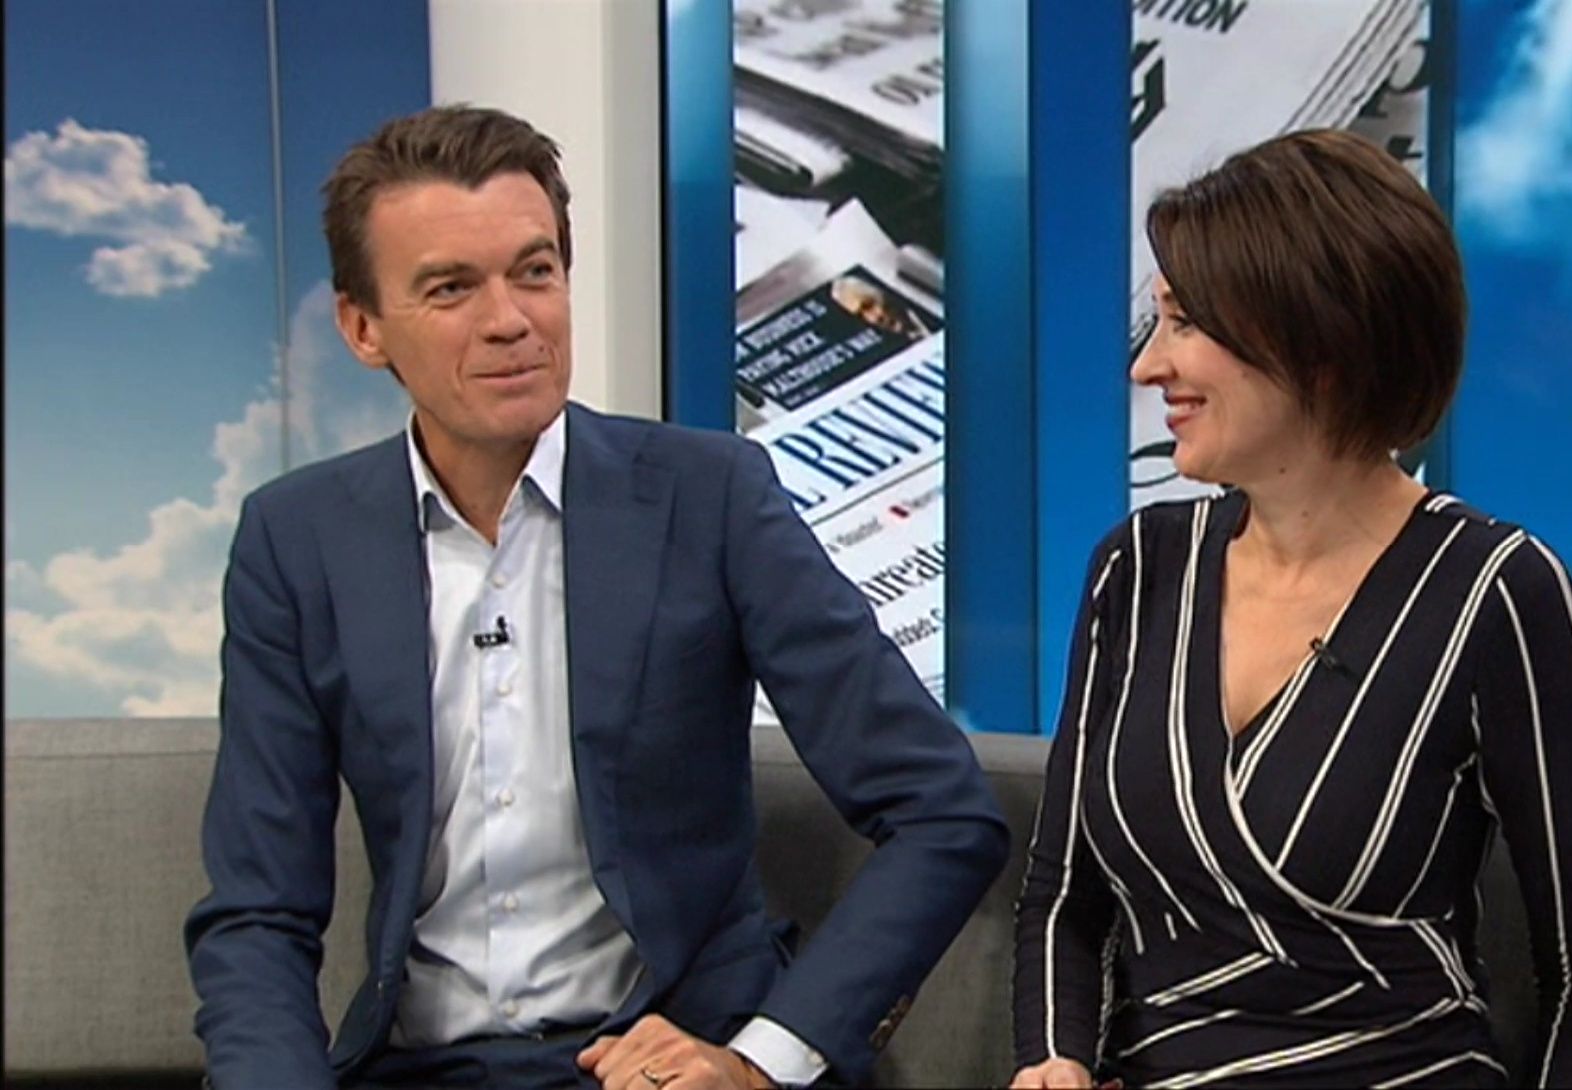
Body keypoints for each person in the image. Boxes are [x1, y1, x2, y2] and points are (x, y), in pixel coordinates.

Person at [185, 105, 1009, 1090]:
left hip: (674, 1062)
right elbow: (258, 909)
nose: (511, 319)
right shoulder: (298, 540)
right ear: (363, 328)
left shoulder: (710, 497)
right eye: (451, 287)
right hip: (423, 1068)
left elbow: (942, 811)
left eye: (534, 271)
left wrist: (760, 1060)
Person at [1010, 129, 1572, 1089]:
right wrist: (1053, 1060)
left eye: (1185, 325)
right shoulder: (1139, 567)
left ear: (1318, 344)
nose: (1147, 366)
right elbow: (1064, 895)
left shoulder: (1496, 591)